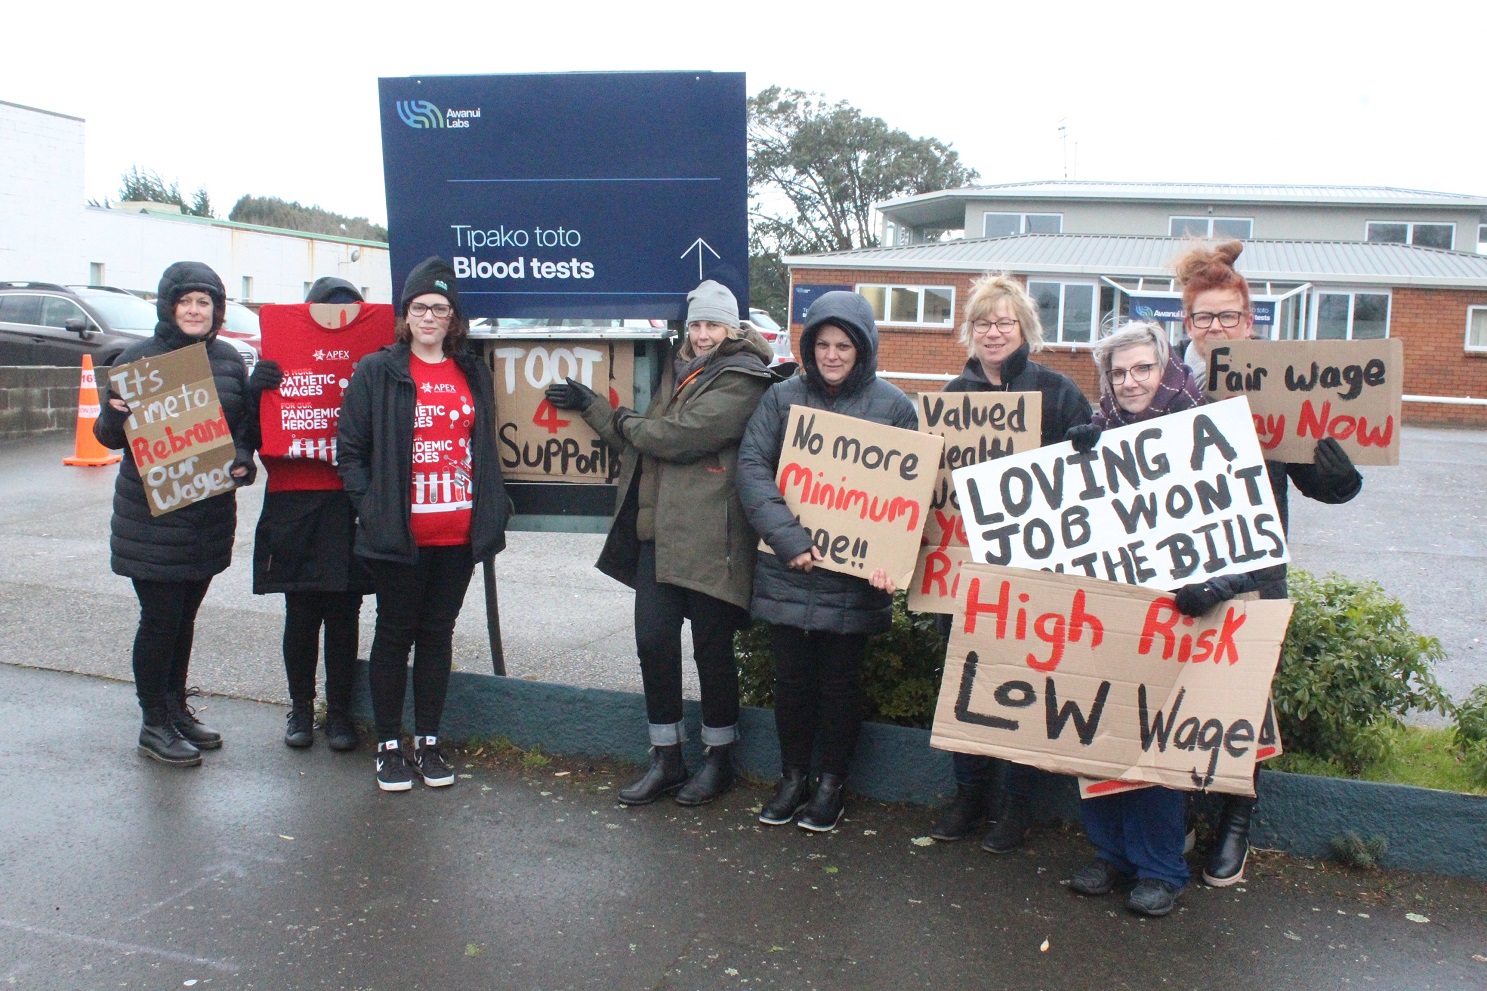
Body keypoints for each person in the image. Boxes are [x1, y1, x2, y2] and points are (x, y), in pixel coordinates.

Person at [1173, 240, 1363, 886]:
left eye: (1228, 317)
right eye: (1203, 318)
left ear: (1249, 322)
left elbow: (1328, 486)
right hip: (1181, 573)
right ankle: (1185, 809)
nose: (1216, 329)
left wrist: (1330, 460)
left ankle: (1234, 821)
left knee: (1244, 702)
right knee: (1180, 694)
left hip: (1254, 575)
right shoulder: (1167, 388)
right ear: (1187, 325)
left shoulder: (1278, 389)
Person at [545, 280, 776, 806]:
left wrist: (622, 418)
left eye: (712, 324)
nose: (702, 334)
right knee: (653, 643)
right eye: (695, 324)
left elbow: (675, 437)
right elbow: (644, 435)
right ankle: (666, 756)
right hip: (659, 532)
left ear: (733, 327)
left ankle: (720, 759)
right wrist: (592, 407)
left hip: (711, 538)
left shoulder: (744, 379)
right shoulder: (679, 369)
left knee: (713, 650)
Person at [736, 290, 916, 832]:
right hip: (790, 569)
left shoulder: (894, 407)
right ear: (808, 345)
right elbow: (752, 469)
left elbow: (907, 495)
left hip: (853, 580)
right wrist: (788, 539)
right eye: (822, 343)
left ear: (863, 349)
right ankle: (792, 780)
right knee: (791, 684)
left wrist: (889, 558)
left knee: (840, 687)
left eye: (844, 345)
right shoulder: (780, 399)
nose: (832, 354)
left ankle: (831, 786)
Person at [929, 274, 1093, 852]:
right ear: (969, 333)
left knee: (1023, 688)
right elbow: (933, 485)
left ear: (1025, 328)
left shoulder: (1059, 393)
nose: (993, 332)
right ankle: (970, 797)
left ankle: (1015, 811)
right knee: (965, 683)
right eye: (983, 323)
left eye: (1004, 322)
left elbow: (1088, 477)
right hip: (964, 572)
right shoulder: (952, 397)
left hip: (1033, 575)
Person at [337, 257, 510, 792]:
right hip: (399, 537)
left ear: (453, 317)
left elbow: (481, 447)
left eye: (440, 308)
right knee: (394, 635)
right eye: (420, 308)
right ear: (405, 315)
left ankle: (429, 742)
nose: (430, 317)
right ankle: (390, 747)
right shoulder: (378, 370)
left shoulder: (471, 372)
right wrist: (374, 509)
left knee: (437, 635)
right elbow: (351, 451)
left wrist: (491, 509)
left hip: (458, 536)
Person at [1063, 320, 1208, 917]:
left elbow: (1235, 520)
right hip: (1107, 608)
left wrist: (1214, 584)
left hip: (1176, 611)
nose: (1130, 382)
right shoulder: (1099, 432)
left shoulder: (1204, 429)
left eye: (1142, 369)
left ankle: (1161, 868)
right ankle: (1113, 856)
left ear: (1166, 368)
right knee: (1095, 732)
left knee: (1155, 739)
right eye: (1118, 372)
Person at [94, 261, 258, 767]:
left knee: (184, 618)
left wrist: (243, 462)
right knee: (161, 619)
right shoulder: (139, 359)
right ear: (169, 306)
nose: (194, 310)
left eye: (203, 302)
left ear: (217, 310)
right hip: (153, 519)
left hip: (208, 515)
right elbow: (108, 439)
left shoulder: (230, 358)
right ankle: (153, 722)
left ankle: (175, 708)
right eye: (185, 301)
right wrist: (110, 413)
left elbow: (243, 429)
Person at [249, 277, 383, 751]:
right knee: (301, 612)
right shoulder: (280, 358)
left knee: (345, 613)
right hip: (295, 495)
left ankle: (340, 713)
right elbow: (247, 434)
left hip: (348, 496)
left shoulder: (374, 357)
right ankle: (301, 710)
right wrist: (257, 393)